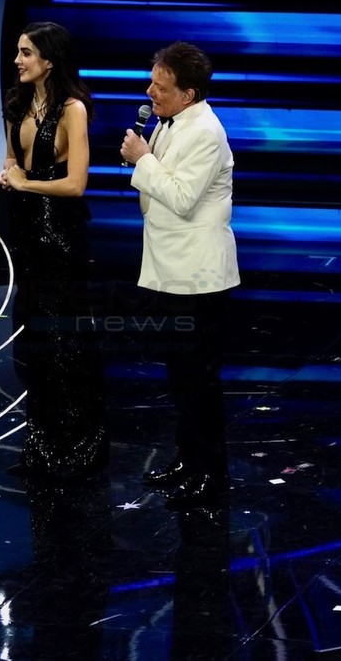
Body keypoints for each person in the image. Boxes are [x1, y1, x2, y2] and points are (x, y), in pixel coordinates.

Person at [119, 41, 240, 509]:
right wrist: (146, 156)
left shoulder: (206, 131)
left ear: (188, 93)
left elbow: (183, 197)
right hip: (171, 270)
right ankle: (188, 461)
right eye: (151, 83)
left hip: (197, 276)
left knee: (198, 380)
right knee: (180, 377)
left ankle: (210, 474)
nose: (150, 93)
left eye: (161, 87)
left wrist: (142, 158)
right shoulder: (172, 121)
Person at [0, 21, 108, 479]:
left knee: (65, 343)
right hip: (26, 235)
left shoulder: (72, 109)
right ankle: (41, 444)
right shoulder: (16, 103)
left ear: (49, 59)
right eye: (18, 51)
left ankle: (80, 444)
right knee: (34, 342)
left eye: (26, 53)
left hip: (61, 238)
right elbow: (13, 160)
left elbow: (77, 183)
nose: (18, 60)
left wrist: (26, 184)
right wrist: (9, 174)